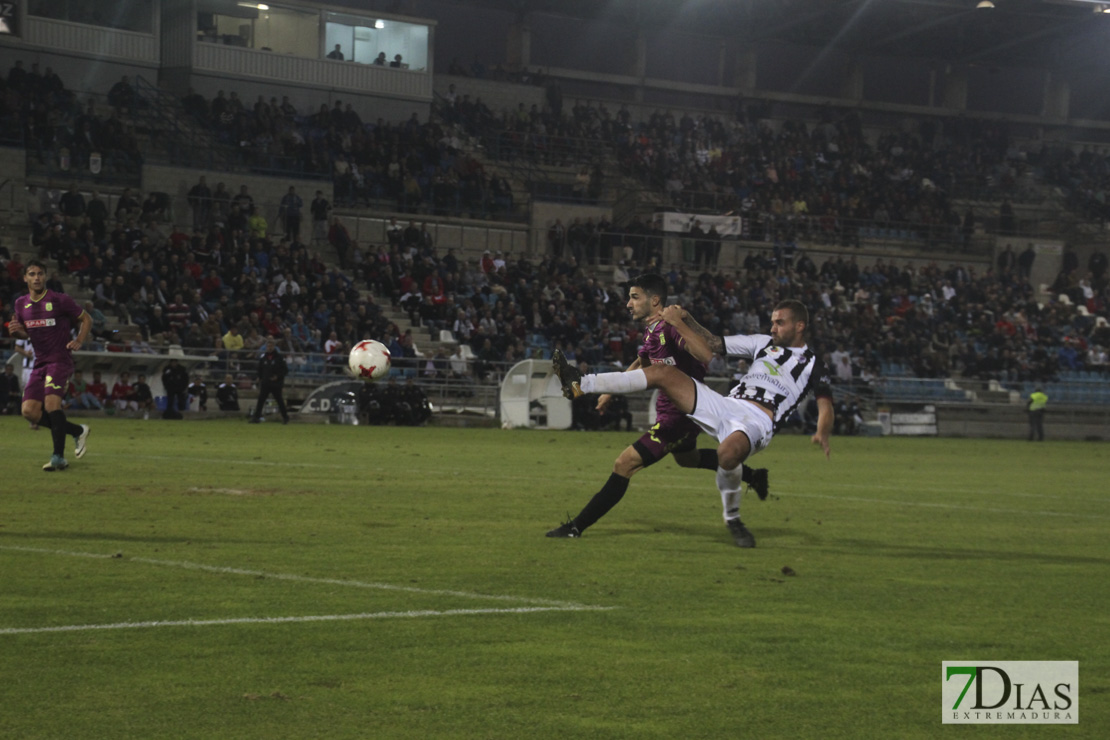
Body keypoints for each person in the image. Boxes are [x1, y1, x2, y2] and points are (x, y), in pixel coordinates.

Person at [552, 299, 834, 548]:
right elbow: (712, 342)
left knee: (727, 453)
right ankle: (580, 383)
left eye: (779, 323)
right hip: (727, 404)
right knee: (663, 372)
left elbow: (825, 404)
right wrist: (686, 319)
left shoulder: (813, 364)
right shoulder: (762, 344)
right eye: (772, 322)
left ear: (799, 326)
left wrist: (822, 431)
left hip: (759, 420)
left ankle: (732, 519)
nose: (772, 328)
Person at [546, 274, 769, 541]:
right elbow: (642, 364)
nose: (628, 303)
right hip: (671, 412)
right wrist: (609, 393)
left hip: (678, 417)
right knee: (689, 459)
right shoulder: (653, 331)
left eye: (634, 297)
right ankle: (754, 476)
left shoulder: (671, 327)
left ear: (655, 300)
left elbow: (705, 354)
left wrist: (681, 323)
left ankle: (576, 527)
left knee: (624, 463)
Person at [8, 259, 92, 471]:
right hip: (39, 363)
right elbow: (28, 332)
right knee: (28, 411)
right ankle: (76, 431)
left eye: (40, 274)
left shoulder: (59, 300)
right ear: (25, 278)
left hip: (59, 360)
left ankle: (58, 458)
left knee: (51, 405)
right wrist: (17, 333)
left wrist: (80, 340)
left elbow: (86, 319)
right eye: (32, 274)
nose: (36, 278)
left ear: (45, 277)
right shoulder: (21, 304)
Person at [251, 337, 289, 424]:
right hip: (265, 383)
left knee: (279, 401)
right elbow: (260, 369)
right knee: (261, 400)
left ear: (274, 347)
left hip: (276, 384)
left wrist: (278, 377)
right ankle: (256, 417)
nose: (269, 348)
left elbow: (285, 370)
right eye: (268, 346)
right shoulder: (263, 357)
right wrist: (259, 377)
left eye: (271, 346)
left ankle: (285, 417)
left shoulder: (279, 357)